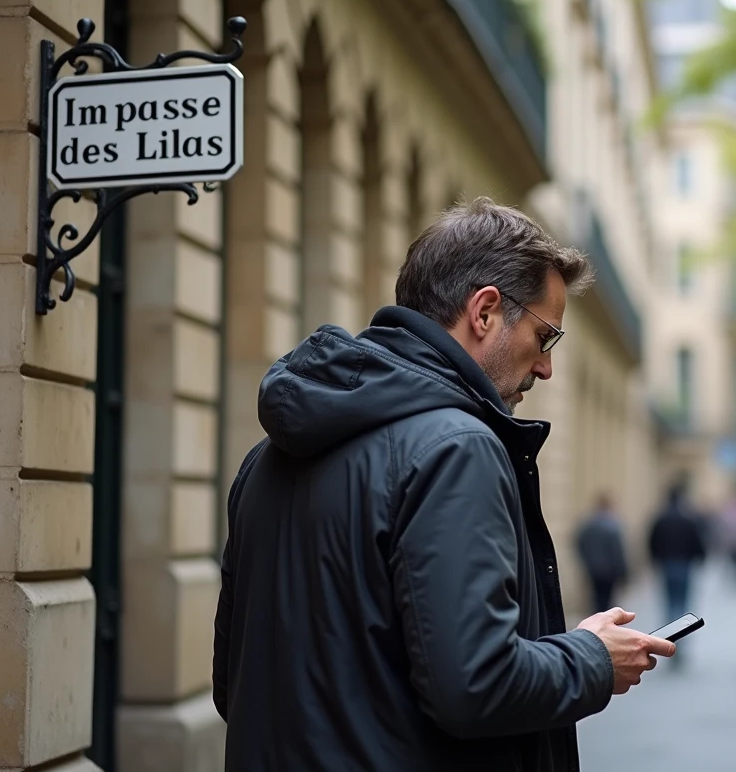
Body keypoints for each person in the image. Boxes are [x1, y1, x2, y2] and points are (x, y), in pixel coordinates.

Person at [213, 198, 675, 771]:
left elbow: (233, 685)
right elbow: (473, 684)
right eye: (545, 336)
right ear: (484, 312)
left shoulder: (264, 460)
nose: (546, 368)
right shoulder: (456, 448)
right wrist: (592, 658)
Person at [648, 482, 707, 628]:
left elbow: (652, 542)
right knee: (682, 601)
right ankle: (680, 632)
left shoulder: (661, 519)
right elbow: (697, 542)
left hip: (667, 564)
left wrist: (656, 559)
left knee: (669, 601)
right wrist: (699, 557)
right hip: (684, 564)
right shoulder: (687, 519)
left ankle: (670, 632)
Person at [575, 494, 629, 613]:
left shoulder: (588, 525)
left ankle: (596, 619)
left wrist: (587, 561)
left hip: (594, 569)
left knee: (596, 598)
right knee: (607, 599)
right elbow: (617, 551)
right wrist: (623, 571)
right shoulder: (612, 525)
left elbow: (579, 544)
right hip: (610, 571)